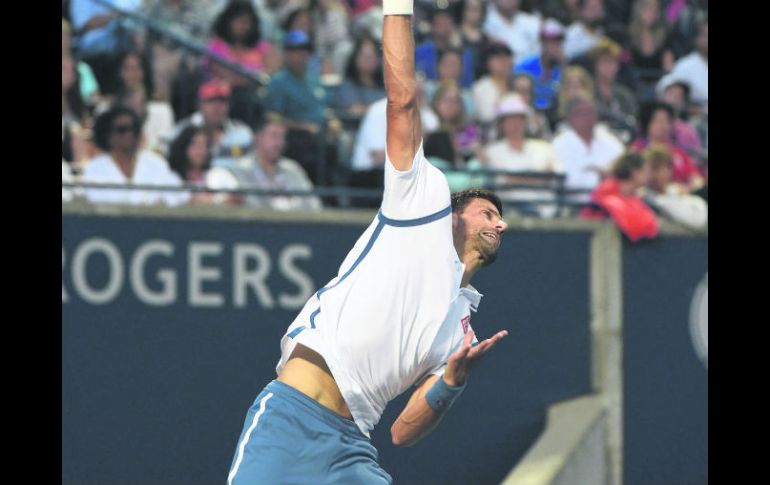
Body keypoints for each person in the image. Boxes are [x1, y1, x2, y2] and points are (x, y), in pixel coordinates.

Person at [226, 2, 510, 483]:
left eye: (501, 219)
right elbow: (402, 99)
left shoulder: (462, 331)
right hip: (292, 416)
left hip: (352, 449)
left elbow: (403, 431)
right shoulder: (421, 205)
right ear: (453, 216)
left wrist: (453, 381)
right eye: (488, 212)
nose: (500, 225)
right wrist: (398, 7)